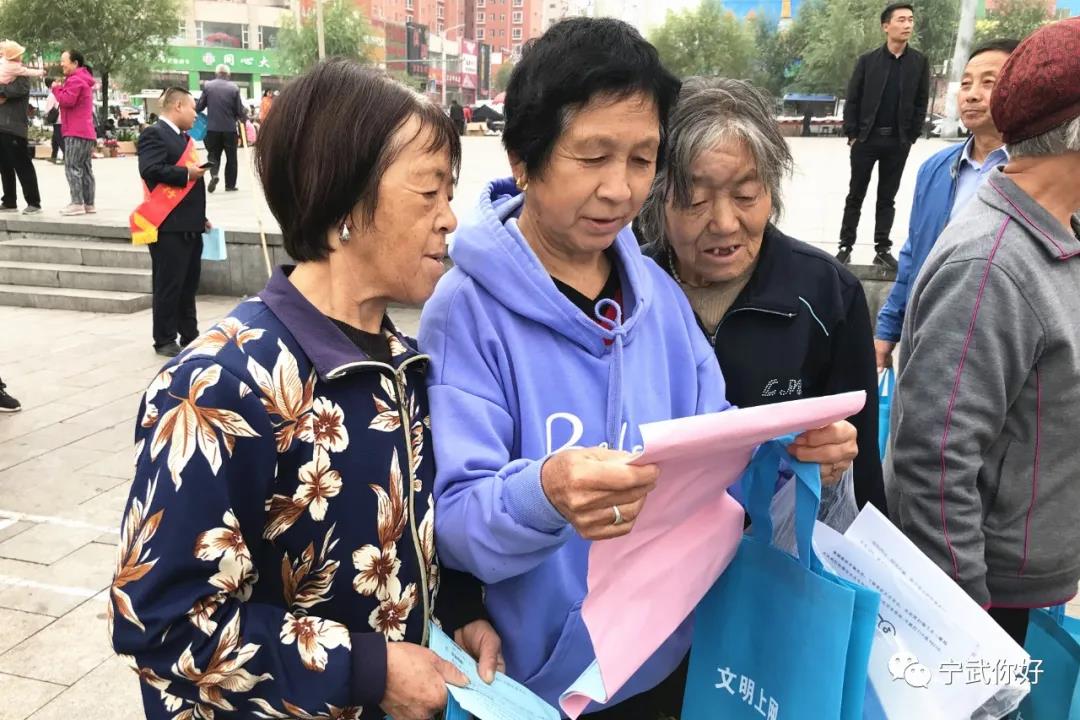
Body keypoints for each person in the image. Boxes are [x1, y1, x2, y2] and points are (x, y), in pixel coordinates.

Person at [419, 18, 858, 716]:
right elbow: (453, 523)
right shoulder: (464, 312)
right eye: (593, 157)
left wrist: (792, 456)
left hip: (663, 658)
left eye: (642, 159)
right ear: (523, 159)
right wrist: (545, 492)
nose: (620, 190)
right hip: (534, 683)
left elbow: (717, 462)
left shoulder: (657, 296)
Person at [110, 60, 502, 720]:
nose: (450, 219)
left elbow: (411, 537)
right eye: (429, 192)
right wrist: (369, 669)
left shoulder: (406, 368)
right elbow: (162, 623)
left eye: (450, 193)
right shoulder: (220, 386)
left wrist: (458, 611)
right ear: (343, 201)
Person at [886, 18, 1080, 646]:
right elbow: (934, 461)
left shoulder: (1056, 236)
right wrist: (961, 630)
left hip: (1021, 580)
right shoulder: (991, 264)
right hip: (984, 599)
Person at [639, 77, 884, 512]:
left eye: (746, 195)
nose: (725, 223)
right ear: (655, 199)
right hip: (655, 541)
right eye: (696, 200)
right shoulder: (628, 294)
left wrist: (836, 456)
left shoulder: (827, 293)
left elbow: (859, 465)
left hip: (775, 545)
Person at [873, 39, 1018, 370]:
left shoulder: (1039, 172)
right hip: (928, 333)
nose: (972, 95)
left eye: (989, 83)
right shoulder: (935, 169)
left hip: (998, 343)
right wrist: (888, 326)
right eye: (965, 84)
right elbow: (914, 252)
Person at [836, 2, 930, 269]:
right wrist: (852, 134)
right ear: (886, 26)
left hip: (897, 142)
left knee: (887, 198)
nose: (907, 25)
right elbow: (853, 98)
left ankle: (882, 248)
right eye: (901, 20)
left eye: (910, 20)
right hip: (866, 140)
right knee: (856, 194)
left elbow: (921, 101)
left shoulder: (919, 62)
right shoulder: (868, 61)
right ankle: (845, 245)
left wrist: (911, 135)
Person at [134, 88, 209, 358]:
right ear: (178, 106)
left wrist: (201, 217)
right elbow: (150, 169)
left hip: (189, 223)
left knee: (188, 284)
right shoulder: (154, 134)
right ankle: (164, 338)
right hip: (167, 224)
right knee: (169, 284)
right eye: (192, 109)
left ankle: (190, 334)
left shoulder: (185, 138)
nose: (195, 116)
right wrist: (186, 173)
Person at [51, 50, 96, 216]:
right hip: (86, 131)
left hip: (75, 131)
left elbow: (67, 100)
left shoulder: (75, 80)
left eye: (64, 61)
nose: (61, 64)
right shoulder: (83, 79)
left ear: (75, 63)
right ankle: (89, 203)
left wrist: (56, 89)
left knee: (72, 167)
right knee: (85, 168)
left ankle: (77, 203)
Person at [0, 42, 42, 215]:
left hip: (14, 127)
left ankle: (34, 202)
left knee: (22, 164)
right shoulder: (5, 70)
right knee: (4, 165)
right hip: (2, 127)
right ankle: (9, 200)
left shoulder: (21, 75)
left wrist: (3, 91)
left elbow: (11, 92)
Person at [196, 64, 247, 193]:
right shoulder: (234, 88)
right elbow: (238, 110)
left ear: (216, 74)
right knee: (231, 158)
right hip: (230, 129)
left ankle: (214, 175)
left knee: (213, 155)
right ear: (228, 75)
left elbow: (200, 106)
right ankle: (230, 185)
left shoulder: (208, 86)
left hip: (212, 128)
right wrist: (242, 116)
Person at [42, 78, 62, 164]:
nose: (57, 83)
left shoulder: (52, 95)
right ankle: (53, 156)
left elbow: (48, 109)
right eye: (55, 81)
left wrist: (45, 114)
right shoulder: (57, 93)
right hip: (60, 118)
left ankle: (66, 156)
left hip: (57, 119)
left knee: (59, 138)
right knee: (55, 139)